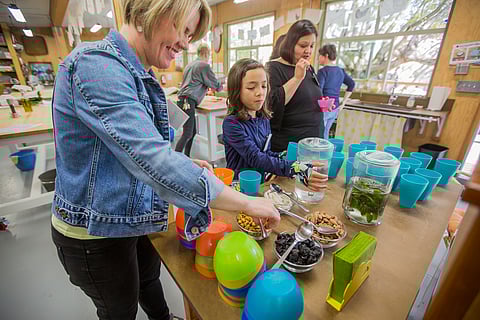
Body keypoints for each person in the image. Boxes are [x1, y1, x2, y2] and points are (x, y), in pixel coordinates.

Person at [50, 1, 279, 319]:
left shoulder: (139, 73)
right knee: (119, 309)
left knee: (148, 279)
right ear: (150, 11)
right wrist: (246, 203)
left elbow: (134, 147)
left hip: (129, 215)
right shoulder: (96, 65)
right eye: (183, 29)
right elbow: (150, 158)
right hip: (95, 232)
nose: (186, 42)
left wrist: (180, 162)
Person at [222, 58, 328, 190]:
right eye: (251, 87)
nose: (260, 92)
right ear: (236, 91)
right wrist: (296, 168)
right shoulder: (232, 124)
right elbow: (256, 157)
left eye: (264, 86)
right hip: (240, 186)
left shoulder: (263, 118)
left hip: (261, 182)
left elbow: (266, 152)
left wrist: (285, 158)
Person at [266, 20, 324, 152]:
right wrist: (297, 78)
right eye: (303, 45)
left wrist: (322, 105)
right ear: (290, 44)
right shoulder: (273, 68)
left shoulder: (310, 69)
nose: (308, 51)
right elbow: (272, 105)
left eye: (311, 46)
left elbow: (305, 97)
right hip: (289, 146)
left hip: (313, 143)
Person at [175, 43, 223, 156]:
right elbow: (215, 85)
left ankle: (186, 156)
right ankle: (175, 158)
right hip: (188, 101)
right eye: (209, 54)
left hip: (183, 100)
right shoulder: (204, 66)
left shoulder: (189, 65)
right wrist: (222, 85)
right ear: (206, 53)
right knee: (187, 133)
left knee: (192, 132)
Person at [317, 44, 355, 139]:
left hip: (325, 108)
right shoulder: (340, 71)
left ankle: (321, 153)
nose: (318, 58)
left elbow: (318, 91)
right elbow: (352, 84)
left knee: (319, 135)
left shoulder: (323, 72)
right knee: (325, 133)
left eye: (320, 55)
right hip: (335, 108)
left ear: (326, 55)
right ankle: (326, 153)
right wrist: (343, 103)